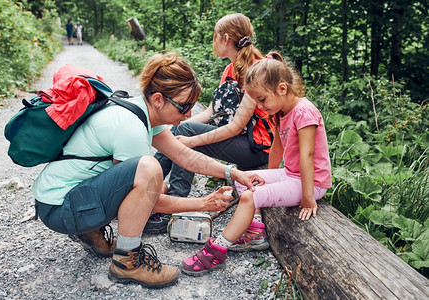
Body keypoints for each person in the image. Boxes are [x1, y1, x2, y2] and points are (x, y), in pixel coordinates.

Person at [32, 52, 264, 288]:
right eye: (184, 106)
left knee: (155, 181)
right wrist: (203, 204)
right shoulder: (131, 127)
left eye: (192, 106)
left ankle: (90, 229)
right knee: (149, 168)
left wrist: (231, 172)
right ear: (158, 99)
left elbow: (184, 155)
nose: (188, 115)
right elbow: (148, 203)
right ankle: (127, 261)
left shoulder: (138, 111)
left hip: (61, 199)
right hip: (60, 210)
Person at [181, 52, 332, 276]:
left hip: (312, 183)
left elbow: (307, 156)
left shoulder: (305, 112)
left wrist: (308, 199)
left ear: (282, 88)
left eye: (262, 99)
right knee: (245, 180)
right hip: (291, 175)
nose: (260, 105)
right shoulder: (281, 111)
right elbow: (277, 148)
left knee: (251, 196)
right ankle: (255, 229)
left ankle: (218, 249)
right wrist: (269, 179)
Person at [149, 13, 273, 235]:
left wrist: (190, 139)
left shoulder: (257, 70)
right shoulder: (230, 69)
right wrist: (175, 125)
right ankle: (152, 187)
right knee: (179, 128)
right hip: (238, 138)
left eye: (215, 36)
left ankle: (173, 203)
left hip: (256, 147)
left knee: (185, 132)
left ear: (225, 38)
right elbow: (211, 112)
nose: (213, 41)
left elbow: (236, 126)